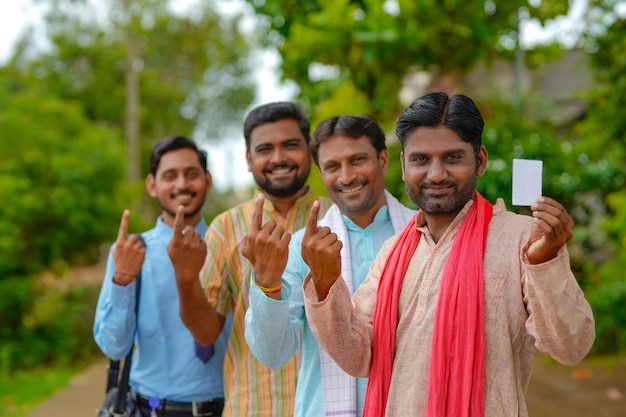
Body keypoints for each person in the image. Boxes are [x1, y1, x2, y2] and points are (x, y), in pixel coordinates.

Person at [302, 92, 596, 417]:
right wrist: (326, 283)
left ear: (480, 161)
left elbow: (571, 348)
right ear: (402, 166)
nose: (436, 174)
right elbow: (358, 359)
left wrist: (544, 265)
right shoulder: (392, 252)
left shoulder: (523, 240)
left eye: (453, 158)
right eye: (421, 159)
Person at [241, 115, 415, 417]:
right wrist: (267, 283)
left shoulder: (423, 233)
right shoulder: (300, 247)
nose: (347, 177)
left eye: (358, 160)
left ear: (384, 160)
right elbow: (273, 353)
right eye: (333, 167)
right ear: (320, 173)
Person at [171, 102, 332, 416]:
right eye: (264, 149)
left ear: (310, 152)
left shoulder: (337, 218)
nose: (278, 158)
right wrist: (185, 277)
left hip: (330, 406)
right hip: (254, 406)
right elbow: (206, 334)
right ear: (248, 159)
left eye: (290, 145)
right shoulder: (226, 227)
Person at [94, 135, 227, 417]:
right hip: (151, 409)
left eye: (192, 174)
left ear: (208, 180)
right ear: (152, 185)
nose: (182, 184)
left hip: (229, 407)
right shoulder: (130, 253)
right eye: (170, 176)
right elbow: (114, 348)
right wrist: (122, 281)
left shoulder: (230, 247)